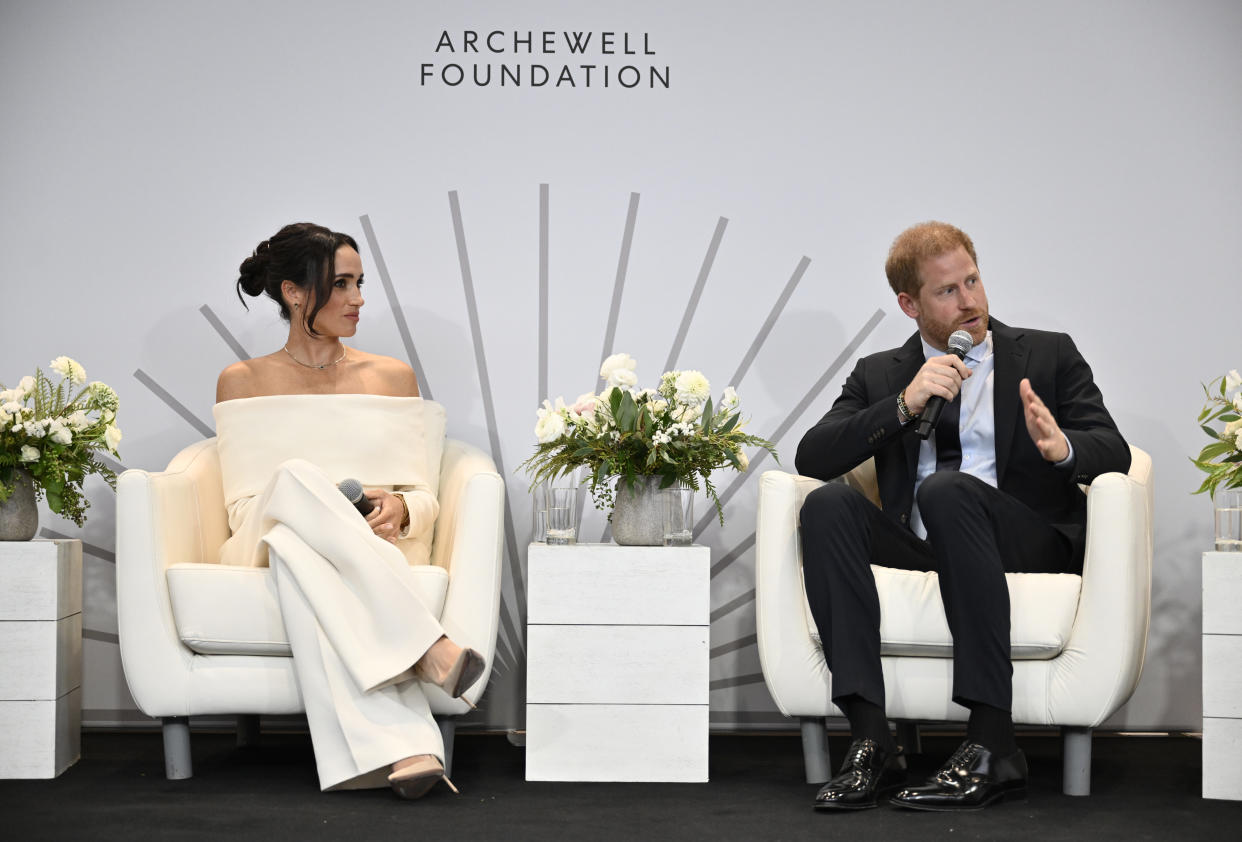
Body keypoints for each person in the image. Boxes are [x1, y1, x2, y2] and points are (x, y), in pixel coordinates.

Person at [795, 221, 1129, 811]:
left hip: (1022, 535)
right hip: (926, 540)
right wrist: (904, 403)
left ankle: (993, 745)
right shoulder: (881, 373)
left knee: (947, 490)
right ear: (909, 304)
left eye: (972, 280)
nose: (969, 301)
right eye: (947, 291)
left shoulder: (1048, 353)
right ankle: (872, 742)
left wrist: (1063, 449)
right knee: (827, 505)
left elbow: (1115, 449)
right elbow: (813, 455)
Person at [215, 222, 485, 799]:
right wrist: (316, 499)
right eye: (341, 284)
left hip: (336, 549)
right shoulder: (241, 381)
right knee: (295, 480)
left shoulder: (391, 377)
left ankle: (405, 751)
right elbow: (242, 505)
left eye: (360, 283)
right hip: (259, 537)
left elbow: (424, 495)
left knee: (300, 555)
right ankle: (428, 648)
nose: (358, 299)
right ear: (293, 292)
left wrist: (402, 507)